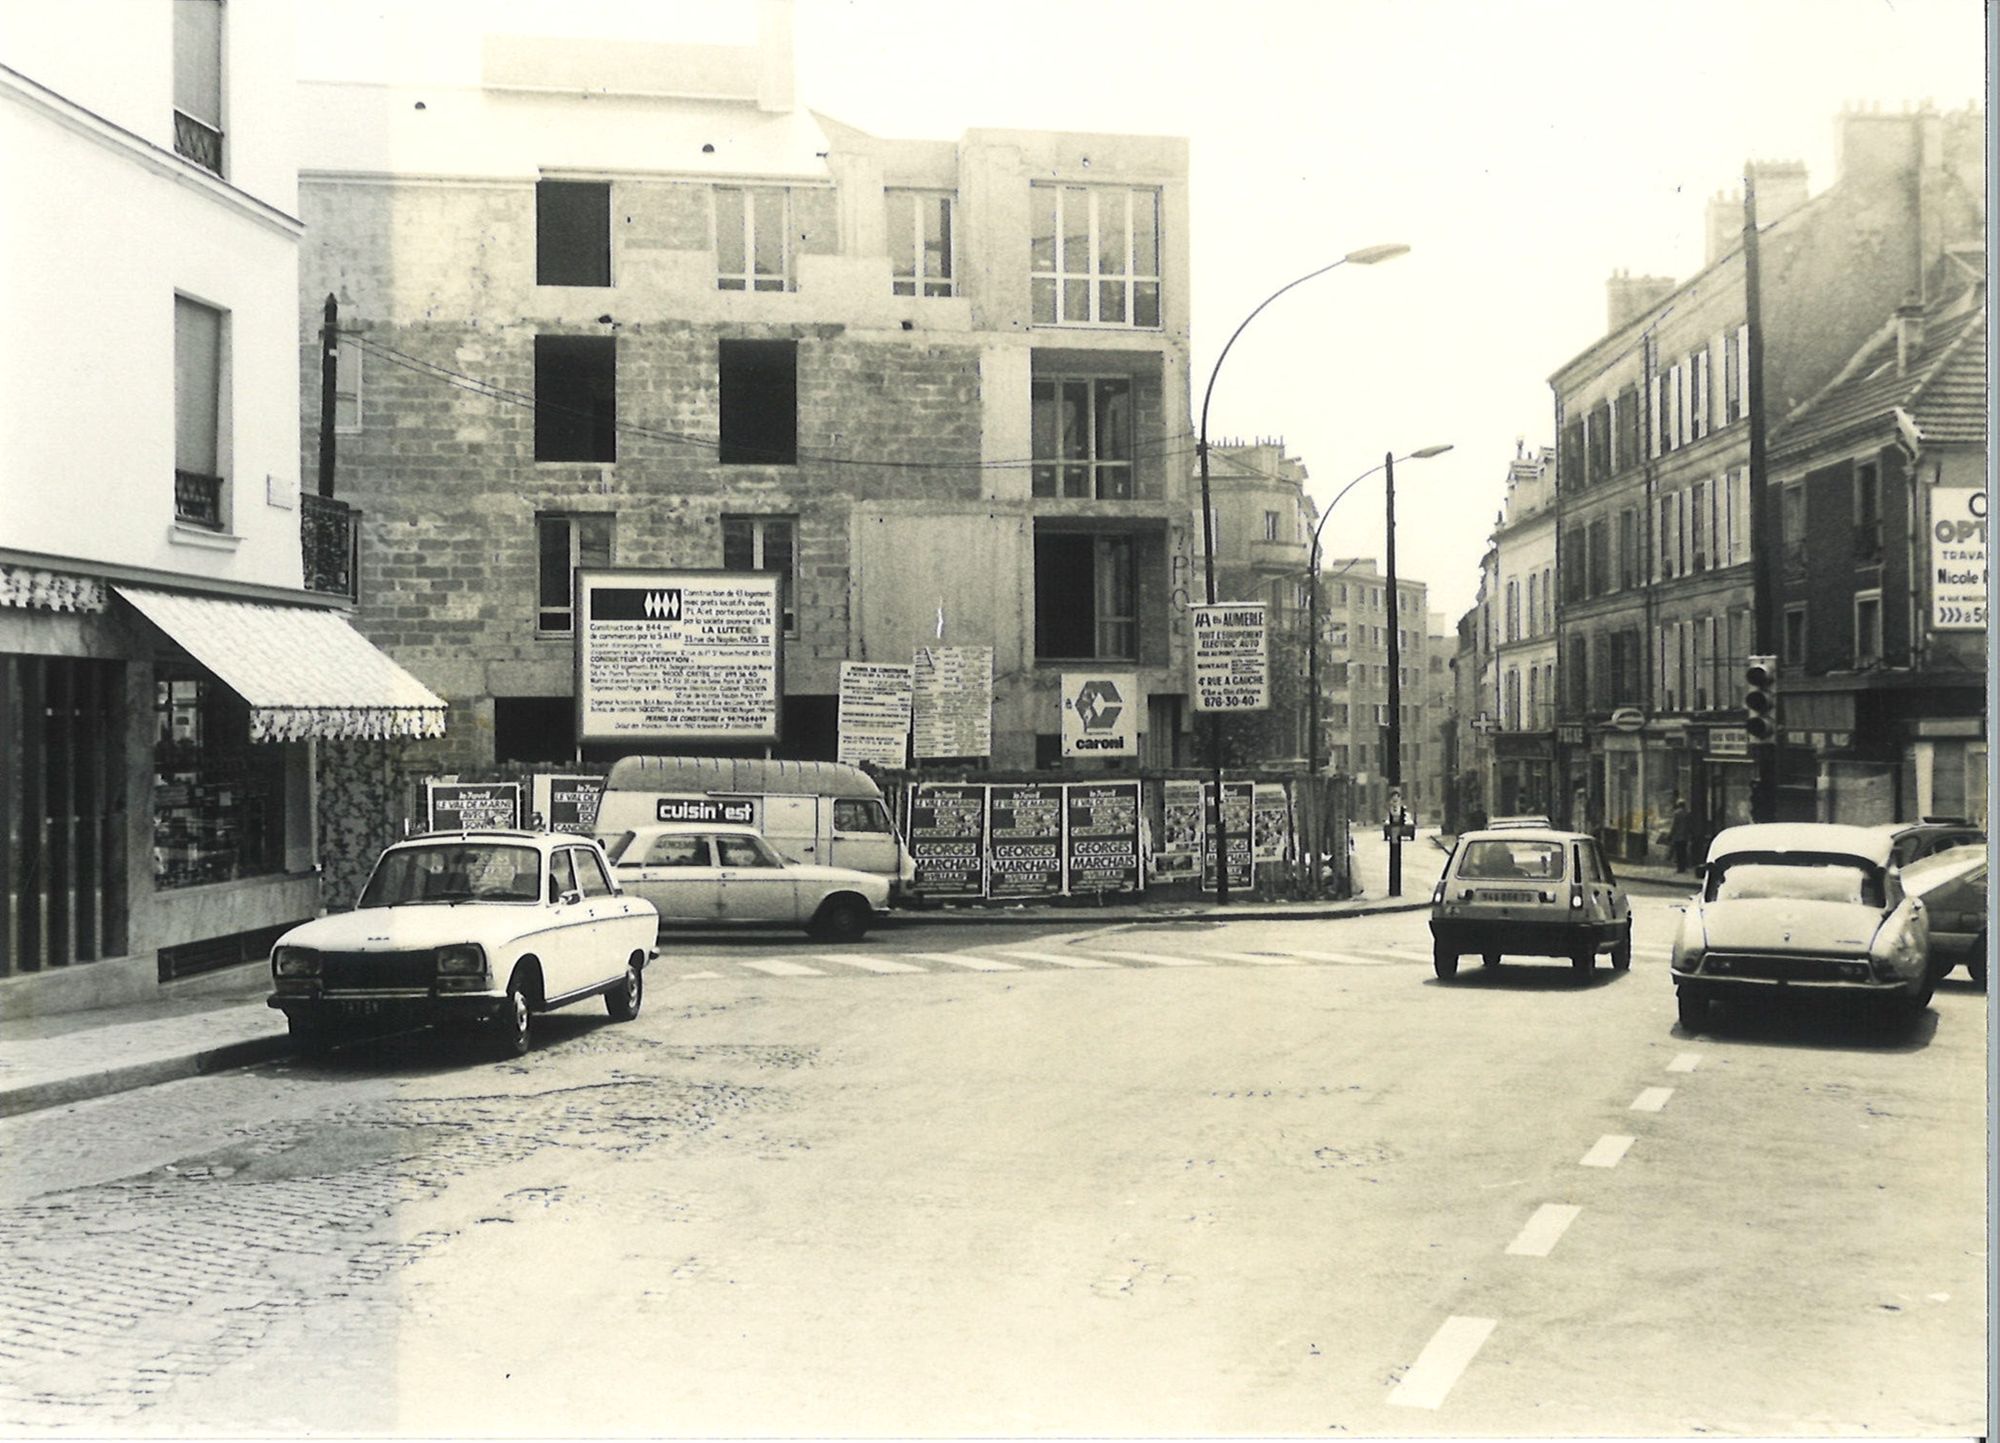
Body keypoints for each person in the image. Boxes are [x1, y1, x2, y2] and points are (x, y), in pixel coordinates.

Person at [1668, 797, 1691, 872]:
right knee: (1683, 852)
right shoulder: (1687, 813)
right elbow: (1689, 825)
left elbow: (1674, 825)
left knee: (1678, 853)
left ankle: (1679, 868)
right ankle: (1683, 867)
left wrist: (1670, 834)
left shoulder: (1676, 813)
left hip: (1677, 836)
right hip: (1685, 836)